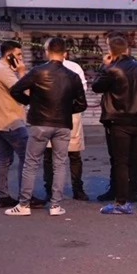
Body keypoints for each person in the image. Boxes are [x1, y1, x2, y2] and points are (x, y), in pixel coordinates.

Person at [6, 37, 87, 217]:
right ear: (65, 53)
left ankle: (24, 204)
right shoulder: (72, 76)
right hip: (63, 124)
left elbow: (15, 90)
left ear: (47, 51)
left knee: (31, 163)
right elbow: (82, 104)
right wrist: (66, 110)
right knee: (60, 164)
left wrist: (31, 103)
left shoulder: (37, 71)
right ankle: (55, 206)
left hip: (39, 122)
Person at [92, 34, 137, 215]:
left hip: (119, 122)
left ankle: (122, 202)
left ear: (110, 51)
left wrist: (103, 66)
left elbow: (96, 87)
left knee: (121, 162)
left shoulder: (111, 69)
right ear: (127, 50)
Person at [0, 41, 43, 209]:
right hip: (11, 122)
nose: (21, 58)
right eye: (18, 55)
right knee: (27, 158)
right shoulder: (3, 71)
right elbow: (23, 92)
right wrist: (21, 71)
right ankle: (26, 196)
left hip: (0, 121)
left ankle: (2, 195)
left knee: (5, 159)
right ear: (8, 55)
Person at [42, 47, 90, 201]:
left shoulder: (74, 68)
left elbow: (82, 90)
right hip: (53, 117)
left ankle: (77, 189)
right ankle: (50, 189)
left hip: (69, 117)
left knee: (73, 154)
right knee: (50, 156)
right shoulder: (43, 70)